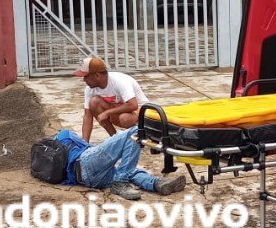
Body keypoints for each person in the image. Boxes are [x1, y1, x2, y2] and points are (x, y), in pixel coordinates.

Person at [53, 126, 185, 200]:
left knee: (127, 170)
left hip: (87, 180)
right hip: (84, 163)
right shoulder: (65, 134)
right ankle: (121, 182)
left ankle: (157, 184)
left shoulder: (53, 153)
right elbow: (87, 146)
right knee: (136, 132)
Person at [75, 56, 149, 142]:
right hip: (119, 113)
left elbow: (133, 105)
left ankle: (141, 136)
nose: (84, 80)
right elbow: (87, 116)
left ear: (97, 75)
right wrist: (84, 143)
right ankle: (115, 138)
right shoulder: (90, 88)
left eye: (86, 77)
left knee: (124, 118)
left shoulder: (120, 81)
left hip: (142, 114)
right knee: (93, 102)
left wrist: (107, 112)